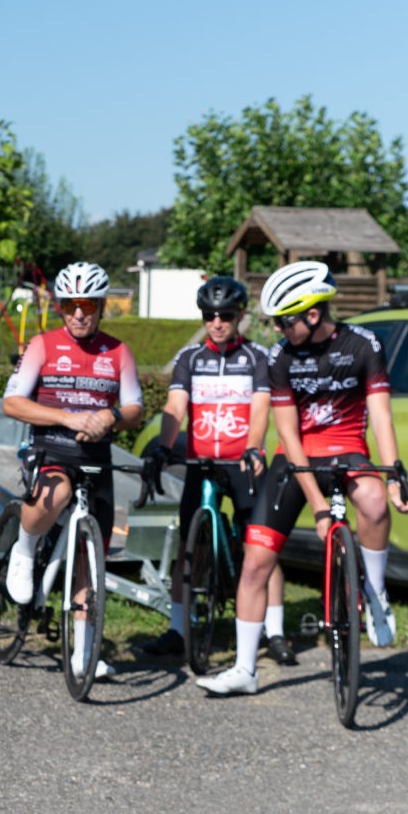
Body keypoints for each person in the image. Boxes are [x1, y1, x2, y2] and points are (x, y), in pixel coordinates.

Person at [203, 261, 408, 696]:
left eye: (284, 320)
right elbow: (287, 434)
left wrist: (394, 474)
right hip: (296, 458)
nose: (278, 329)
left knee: (374, 502)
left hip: (347, 448)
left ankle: (373, 592)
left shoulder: (364, 345)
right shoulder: (280, 355)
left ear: (313, 315)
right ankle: (244, 668)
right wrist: (319, 506)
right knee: (256, 560)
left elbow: (381, 416)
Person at [137, 276, 295, 666]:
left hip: (243, 462)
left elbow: (261, 407)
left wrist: (254, 447)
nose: (217, 322)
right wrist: (163, 445)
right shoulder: (190, 359)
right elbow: (175, 407)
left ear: (240, 316)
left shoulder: (258, 357)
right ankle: (178, 629)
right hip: (202, 462)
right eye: (209, 315)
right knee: (190, 549)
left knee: (261, 549)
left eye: (226, 315)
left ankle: (274, 632)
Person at [1, 261, 144, 680]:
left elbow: (135, 408)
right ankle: (24, 551)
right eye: (69, 305)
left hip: (96, 459)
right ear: (60, 307)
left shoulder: (118, 351)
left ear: (101, 306)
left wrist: (111, 416)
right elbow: (12, 403)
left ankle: (83, 653)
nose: (78, 313)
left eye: (87, 305)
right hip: (51, 448)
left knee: (89, 559)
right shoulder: (42, 345)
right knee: (56, 492)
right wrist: (66, 417)